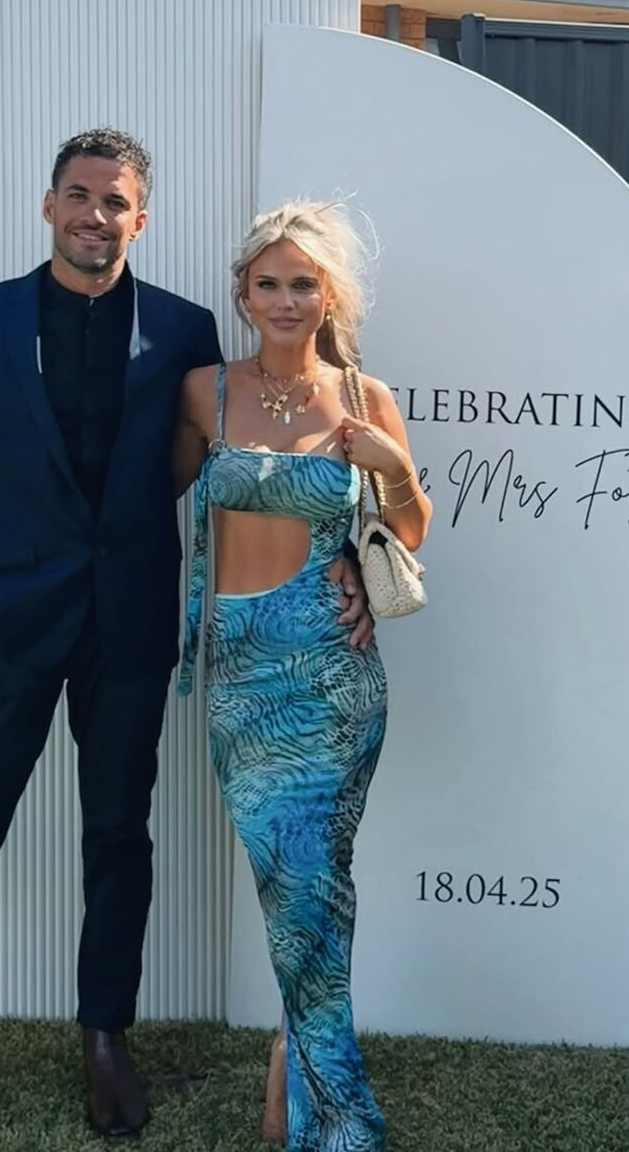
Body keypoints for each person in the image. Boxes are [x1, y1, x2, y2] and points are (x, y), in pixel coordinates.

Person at [0, 133, 373, 1152]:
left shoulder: (187, 333)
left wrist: (346, 562)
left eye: (115, 203)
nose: (94, 216)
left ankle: (106, 1038)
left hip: (131, 625)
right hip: (2, 626)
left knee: (118, 836)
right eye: (79, 195)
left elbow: (247, 461)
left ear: (139, 220)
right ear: (49, 204)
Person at [174, 199, 432, 1152]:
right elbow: (146, 496)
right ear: (245, 293)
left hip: (335, 672)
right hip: (242, 674)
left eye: (304, 284)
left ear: (330, 297)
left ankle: (331, 1115)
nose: (286, 300)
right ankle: (299, 1059)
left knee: (316, 889)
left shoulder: (365, 397)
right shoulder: (204, 392)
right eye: (269, 283)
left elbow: (409, 532)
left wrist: (391, 465)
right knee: (295, 889)